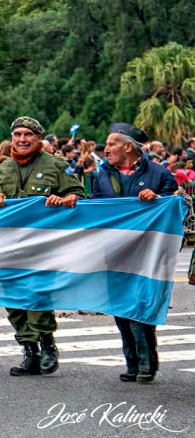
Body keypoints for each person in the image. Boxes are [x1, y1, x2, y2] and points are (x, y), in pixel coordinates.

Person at [0, 117, 85, 376]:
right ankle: (29, 350)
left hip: (42, 245)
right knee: (13, 298)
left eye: (28, 135)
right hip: (8, 245)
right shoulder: (5, 167)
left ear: (38, 138)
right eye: (17, 134)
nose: (22, 139)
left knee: (36, 294)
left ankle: (47, 345)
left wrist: (66, 198)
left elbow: (79, 194)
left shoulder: (56, 165)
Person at [89, 123, 179, 383]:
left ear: (128, 147)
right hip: (113, 251)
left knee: (139, 307)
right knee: (119, 307)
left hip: (146, 253)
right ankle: (131, 363)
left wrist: (159, 199)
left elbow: (177, 205)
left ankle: (146, 364)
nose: (106, 149)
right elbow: (95, 206)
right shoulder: (102, 175)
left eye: (112, 143)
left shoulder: (158, 174)